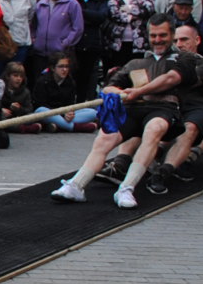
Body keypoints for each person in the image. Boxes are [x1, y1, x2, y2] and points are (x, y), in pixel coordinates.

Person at [52, 15, 190, 207]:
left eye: (163, 35)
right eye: (154, 35)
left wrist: (138, 91)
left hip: (163, 109)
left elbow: (171, 79)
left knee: (154, 129)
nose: (158, 40)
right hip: (132, 109)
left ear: (172, 35)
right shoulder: (135, 63)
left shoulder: (183, 58)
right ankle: (77, 185)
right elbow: (109, 87)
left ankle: (126, 188)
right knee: (105, 136)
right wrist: (120, 92)